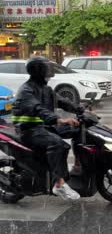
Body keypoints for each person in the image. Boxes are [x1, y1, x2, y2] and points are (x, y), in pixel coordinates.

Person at [12, 56, 82, 200]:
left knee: (79, 130)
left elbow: (62, 102)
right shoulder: (26, 90)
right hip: (29, 130)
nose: (49, 70)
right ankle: (59, 184)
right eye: (46, 67)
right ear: (38, 70)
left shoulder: (46, 89)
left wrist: (81, 110)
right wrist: (58, 119)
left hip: (44, 127)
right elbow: (37, 108)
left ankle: (79, 166)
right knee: (58, 144)